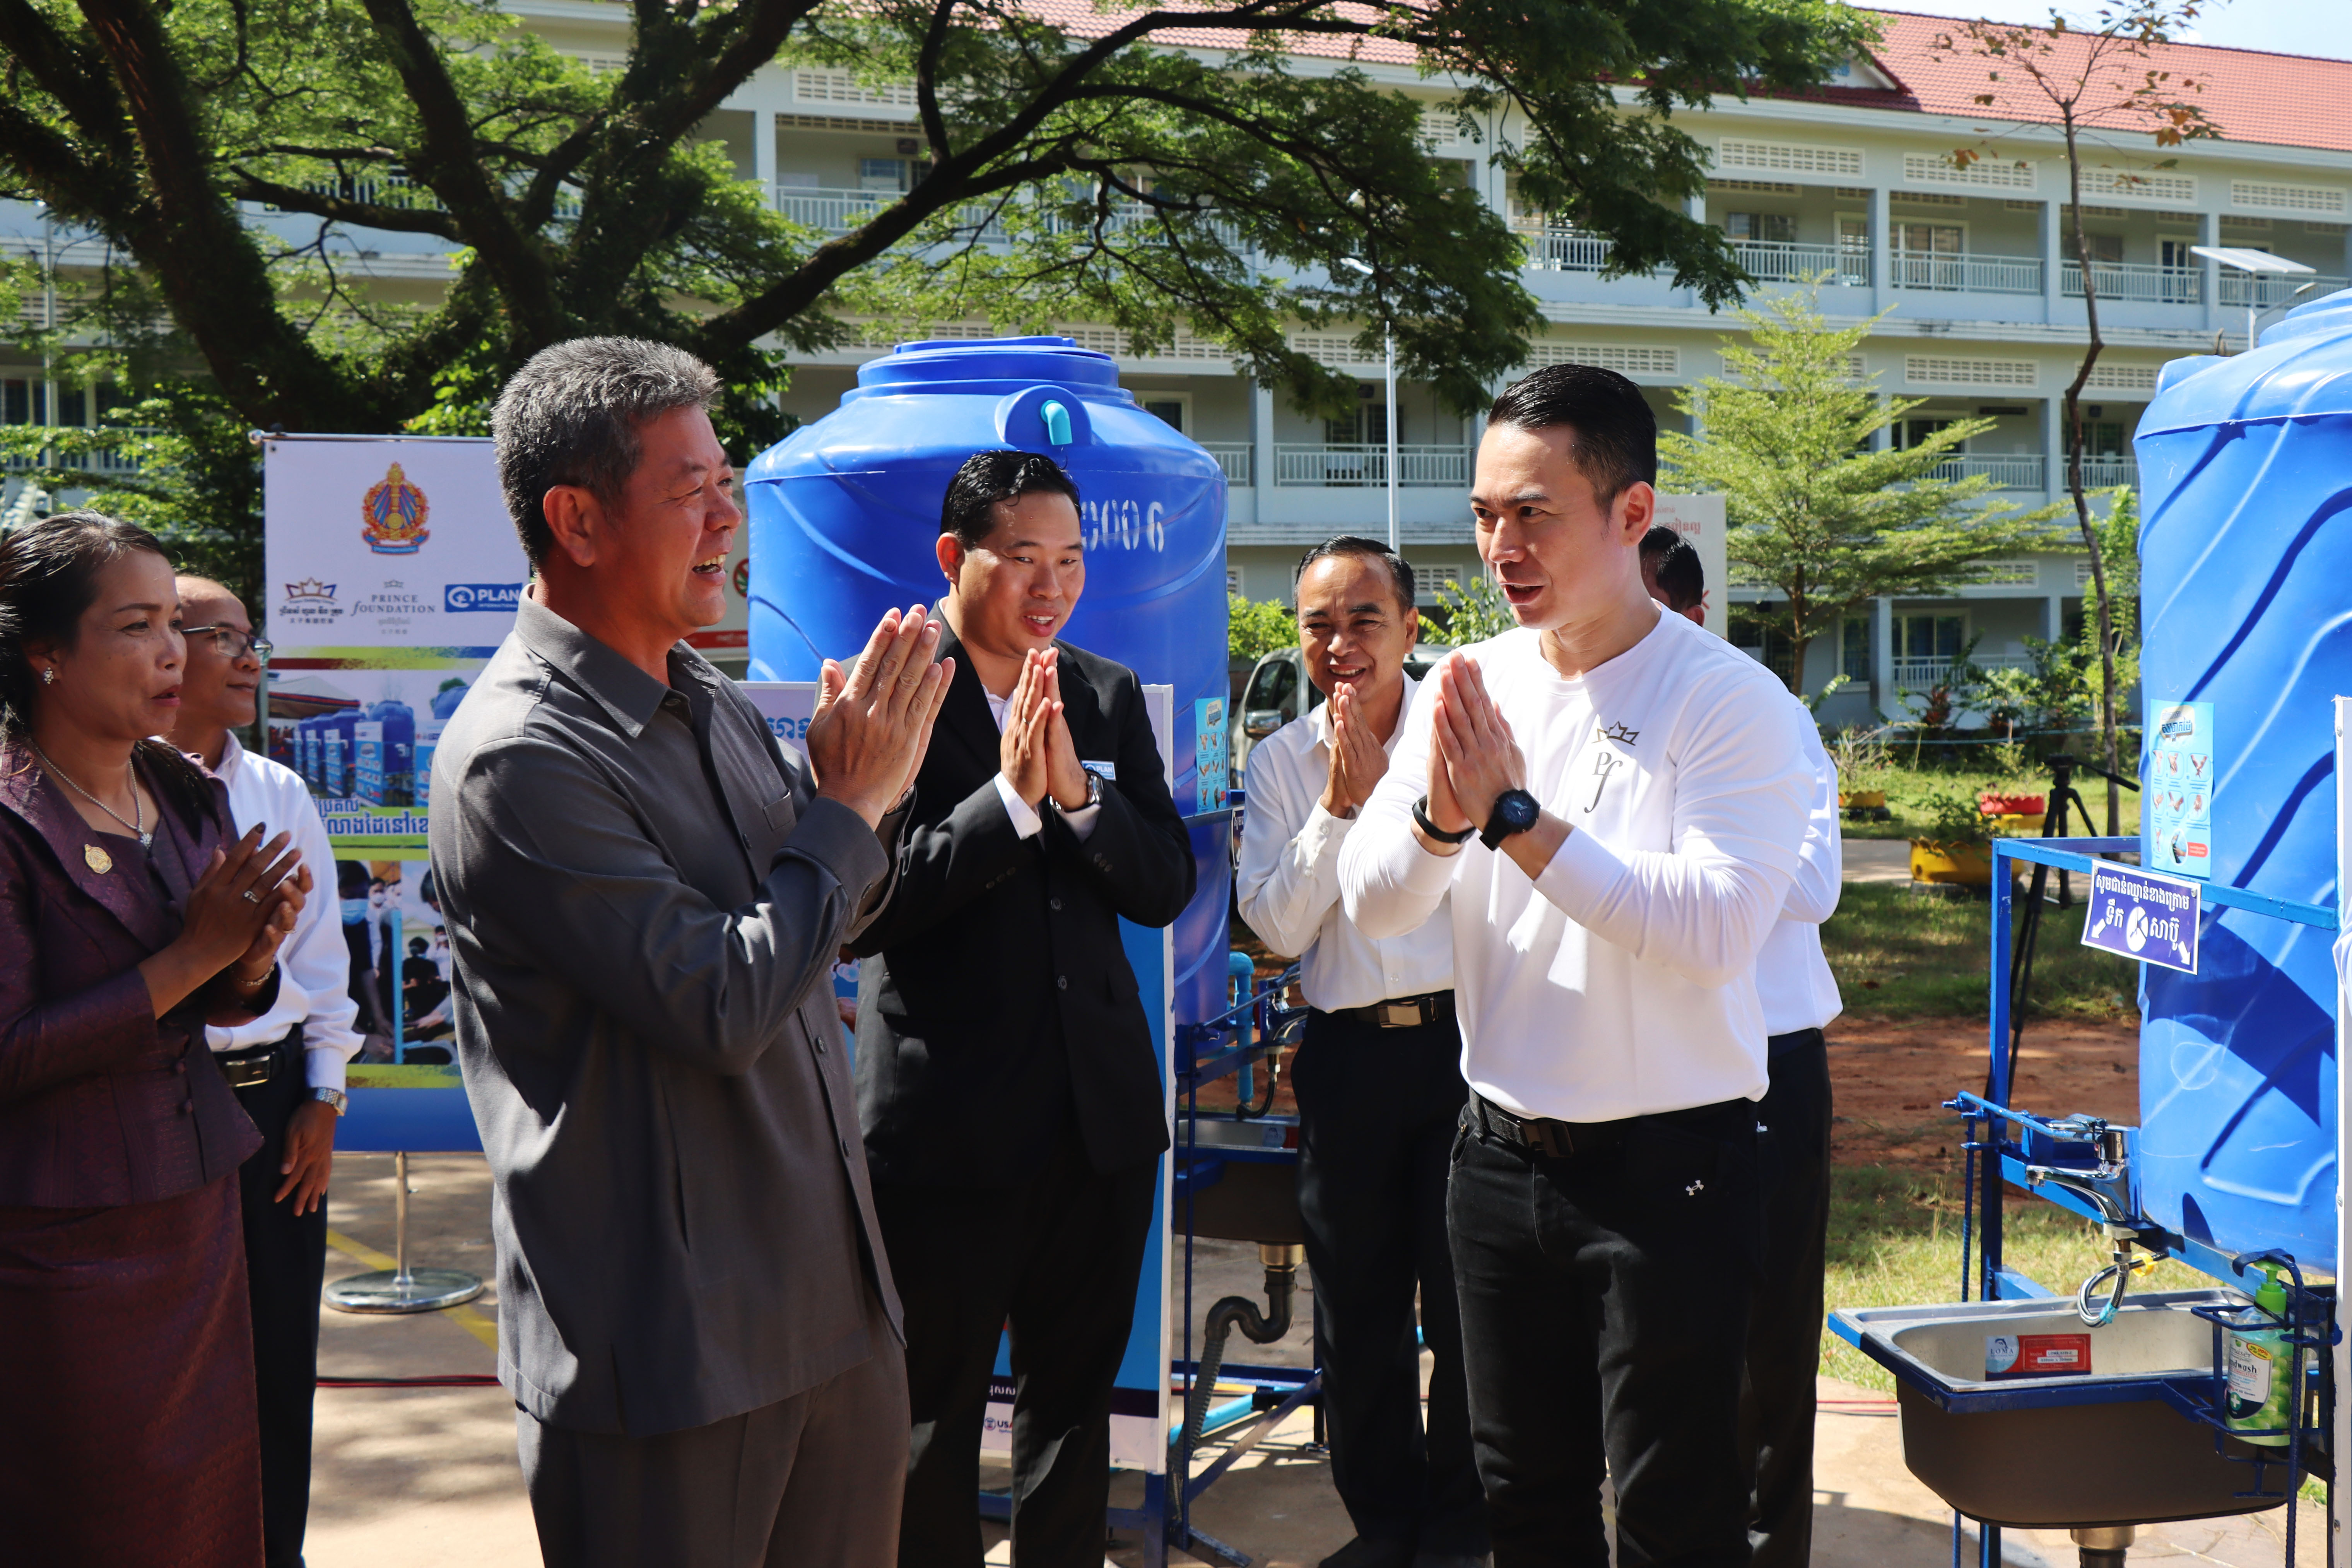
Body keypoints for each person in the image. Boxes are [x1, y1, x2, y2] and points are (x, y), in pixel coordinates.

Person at [429, 337, 950, 1568]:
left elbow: (819, 913)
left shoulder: (702, 695)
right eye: (692, 488)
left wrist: (856, 801)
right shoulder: (523, 754)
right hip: (673, 1349)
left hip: (831, 1307)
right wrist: (849, 809)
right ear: (578, 518)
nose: (730, 515)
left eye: (727, 481)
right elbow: (721, 997)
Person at [1338, 363, 1814, 1568]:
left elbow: (1715, 925)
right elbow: (1372, 898)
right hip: (1497, 1162)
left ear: (1632, 513)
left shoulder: (1725, 698)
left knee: (1673, 1511)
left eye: (1536, 512)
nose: (1504, 545)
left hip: (1674, 1173)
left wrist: (1515, 818)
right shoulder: (1471, 679)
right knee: (1524, 1497)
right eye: (1487, 515)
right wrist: (1448, 822)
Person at [852, 448, 1196, 1568]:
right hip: (949, 1126)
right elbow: (867, 901)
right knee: (931, 1413)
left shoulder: (1101, 692)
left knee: (1075, 1402)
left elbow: (1163, 885)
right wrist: (1008, 800)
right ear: (956, 557)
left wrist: (1080, 797)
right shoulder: (893, 689)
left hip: (1094, 1120)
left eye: (1073, 560)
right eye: (1025, 559)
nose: (1053, 585)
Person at [0, 511, 308, 1566]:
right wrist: (193, 953)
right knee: (97, 1516)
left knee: (207, 1510)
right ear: (46, 651)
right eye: (136, 624)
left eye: (178, 621)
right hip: (64, 1245)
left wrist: (251, 957)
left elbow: (209, 1006)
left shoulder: (182, 792)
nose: (175, 650)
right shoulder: (11, 814)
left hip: (195, 1213)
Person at [1234, 536, 1485, 1568]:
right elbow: (1276, 928)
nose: (1340, 644)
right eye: (1318, 624)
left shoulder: (1464, 736)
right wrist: (1340, 804)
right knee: (1359, 1304)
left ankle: (1463, 1526)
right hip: (1347, 1056)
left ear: (1410, 628)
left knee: (1470, 1300)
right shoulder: (1282, 760)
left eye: (1363, 620)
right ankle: (1385, 1523)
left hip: (1470, 1052)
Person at [1637, 524, 1843, 1568]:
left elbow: (1808, 886)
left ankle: (1769, 1550)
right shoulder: (1591, 717)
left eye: (1653, 616)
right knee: (1658, 1344)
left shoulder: (1768, 715)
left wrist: (1667, 870)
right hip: (1644, 1073)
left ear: (1697, 615)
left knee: (1768, 1344)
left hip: (1768, 1059)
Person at [166, 574, 366, 1568]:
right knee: (172, 1371)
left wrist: (323, 1095)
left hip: (277, 1101)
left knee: (280, 1363)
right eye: (220, 636)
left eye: (254, 636)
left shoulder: (279, 789)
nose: (249, 658)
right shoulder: (116, 790)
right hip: (168, 1105)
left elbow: (323, 963)